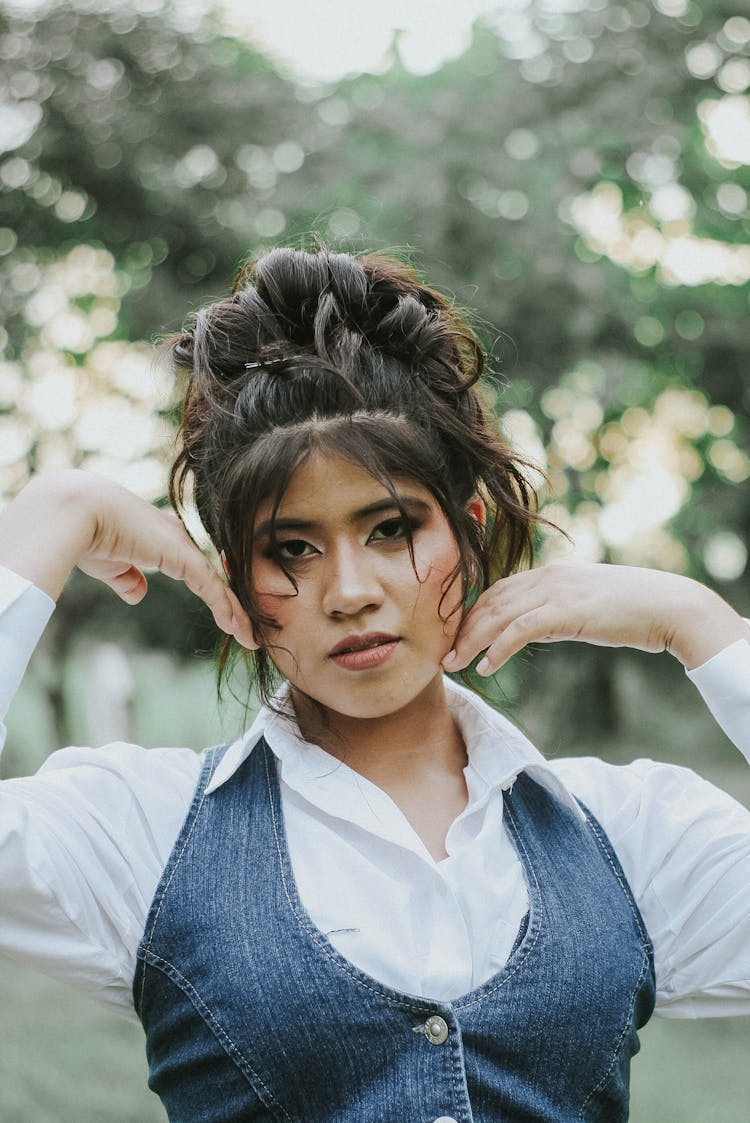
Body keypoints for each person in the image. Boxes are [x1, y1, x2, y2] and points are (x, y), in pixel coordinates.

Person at [0, 245, 748, 1123]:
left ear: (468, 531)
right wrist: (48, 517)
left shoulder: (634, 835)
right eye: (292, 549)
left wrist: (706, 628)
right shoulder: (141, 832)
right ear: (235, 577)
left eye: (391, 528)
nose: (350, 591)